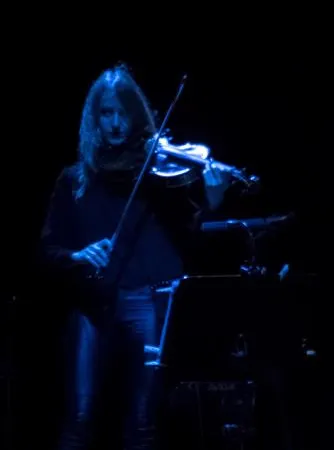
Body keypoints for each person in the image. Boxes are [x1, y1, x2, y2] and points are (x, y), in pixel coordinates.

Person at [39, 64, 234, 450]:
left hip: (148, 300)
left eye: (123, 112)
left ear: (136, 115)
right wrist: (77, 256)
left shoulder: (158, 173)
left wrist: (212, 203)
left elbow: (190, 235)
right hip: (91, 306)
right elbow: (46, 251)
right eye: (106, 113)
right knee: (78, 418)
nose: (115, 123)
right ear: (94, 119)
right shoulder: (73, 179)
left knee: (143, 424)